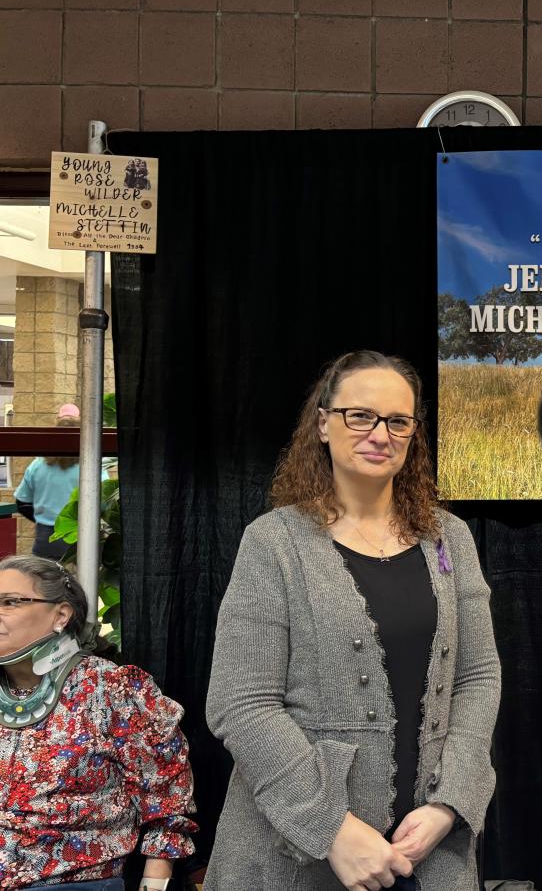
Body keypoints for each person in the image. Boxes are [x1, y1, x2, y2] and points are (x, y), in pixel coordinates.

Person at [206, 350, 501, 891]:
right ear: (323, 424)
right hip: (295, 857)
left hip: (429, 853)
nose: (379, 434)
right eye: (359, 416)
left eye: (398, 421)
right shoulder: (273, 543)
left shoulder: (449, 539)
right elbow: (241, 702)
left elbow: (478, 678)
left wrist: (449, 803)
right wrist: (332, 828)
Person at [0, 555, 196, 889]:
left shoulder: (112, 689)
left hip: (72, 883)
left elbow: (166, 795)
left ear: (61, 615)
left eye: (10, 602)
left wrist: (155, 882)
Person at [13, 404, 107, 560]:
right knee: (85, 583)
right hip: (84, 537)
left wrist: (41, 517)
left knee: (47, 583)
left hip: (47, 538)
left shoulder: (37, 465)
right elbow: (105, 501)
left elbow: (22, 503)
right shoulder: (91, 465)